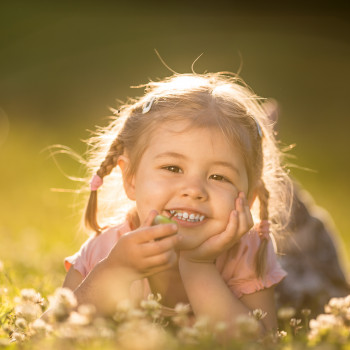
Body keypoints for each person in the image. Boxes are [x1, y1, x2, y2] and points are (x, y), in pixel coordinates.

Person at [62, 73, 292, 334]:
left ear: (248, 199)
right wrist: (115, 269)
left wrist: (198, 266)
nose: (194, 190)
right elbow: (53, 332)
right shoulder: (106, 250)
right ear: (131, 179)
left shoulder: (248, 253)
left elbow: (259, 342)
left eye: (219, 176)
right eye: (172, 167)